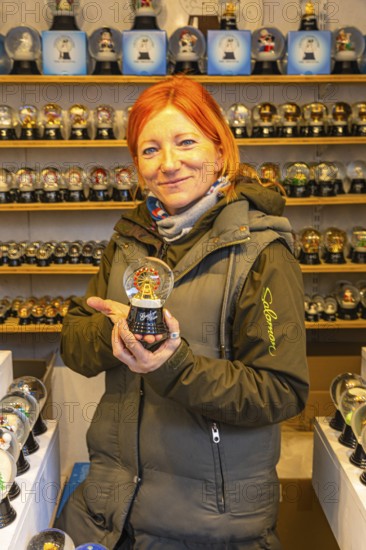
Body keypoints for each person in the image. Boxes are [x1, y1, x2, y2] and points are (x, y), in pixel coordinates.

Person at [56, 75, 309, 549]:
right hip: (110, 518)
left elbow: (282, 392)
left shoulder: (262, 252)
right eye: (149, 150)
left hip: (209, 529)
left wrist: (173, 367)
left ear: (219, 148)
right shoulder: (129, 239)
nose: (168, 164)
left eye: (185, 142)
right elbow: (75, 341)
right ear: (136, 163)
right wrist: (110, 338)